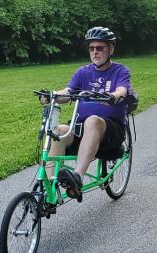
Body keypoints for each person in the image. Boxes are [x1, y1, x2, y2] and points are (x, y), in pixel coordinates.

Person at [39, 27, 131, 201]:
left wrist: (113, 96)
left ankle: (77, 178)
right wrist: (52, 96)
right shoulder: (83, 72)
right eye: (91, 48)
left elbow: (122, 90)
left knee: (93, 120)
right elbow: (68, 92)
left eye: (100, 48)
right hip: (82, 129)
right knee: (58, 130)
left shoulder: (120, 71)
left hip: (110, 131)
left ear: (110, 49)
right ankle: (51, 191)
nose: (95, 52)